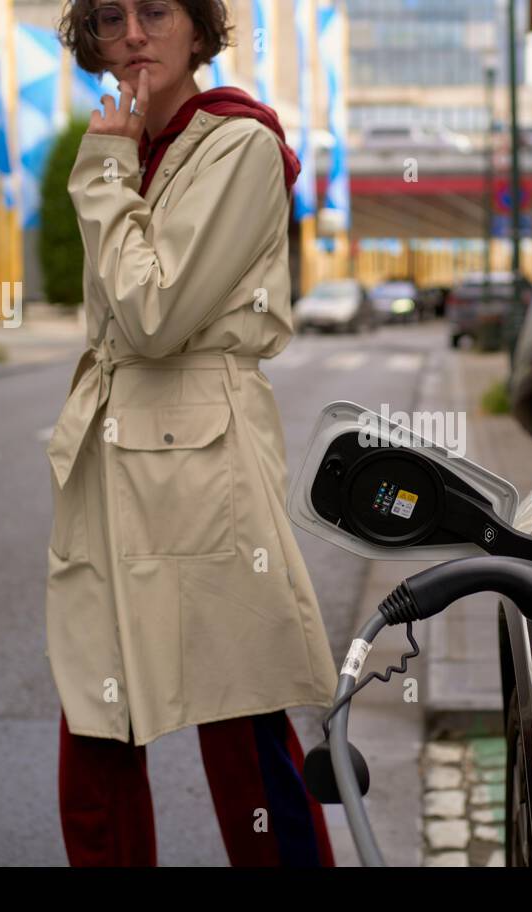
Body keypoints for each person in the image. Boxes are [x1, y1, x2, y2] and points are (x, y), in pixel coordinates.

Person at [47, 0, 338, 866]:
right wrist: (111, 169)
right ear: (91, 43)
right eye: (109, 18)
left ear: (199, 30)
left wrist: (103, 178)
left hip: (202, 463)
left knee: (244, 737)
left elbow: (151, 312)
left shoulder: (238, 145)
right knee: (94, 736)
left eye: (155, 11)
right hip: (110, 462)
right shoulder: (125, 152)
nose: (132, 34)